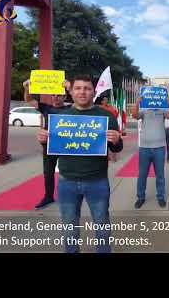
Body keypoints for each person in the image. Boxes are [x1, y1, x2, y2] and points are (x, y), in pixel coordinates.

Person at [36, 75, 123, 253]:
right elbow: (54, 147)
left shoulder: (106, 116)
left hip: (97, 181)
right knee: (69, 226)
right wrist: (44, 140)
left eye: (87, 88)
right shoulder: (60, 117)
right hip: (67, 181)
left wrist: (116, 140)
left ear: (93, 91)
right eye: (78, 88)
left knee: (102, 225)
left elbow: (117, 148)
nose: (82, 92)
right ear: (71, 91)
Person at [23, 78, 69, 210]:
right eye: (53, 95)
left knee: (67, 172)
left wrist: (70, 86)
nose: (56, 97)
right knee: (48, 172)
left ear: (65, 96)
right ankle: (48, 196)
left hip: (67, 146)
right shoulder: (46, 108)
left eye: (59, 95)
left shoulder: (71, 109)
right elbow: (30, 100)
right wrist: (27, 88)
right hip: (49, 145)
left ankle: (68, 196)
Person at [131, 94, 169, 209]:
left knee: (160, 175)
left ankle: (160, 197)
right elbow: (135, 115)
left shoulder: (163, 110)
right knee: (142, 175)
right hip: (145, 148)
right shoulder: (144, 110)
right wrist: (137, 103)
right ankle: (140, 197)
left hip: (160, 147)